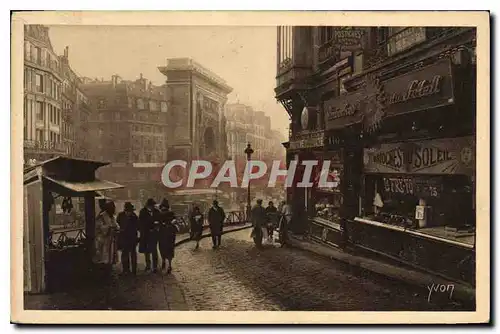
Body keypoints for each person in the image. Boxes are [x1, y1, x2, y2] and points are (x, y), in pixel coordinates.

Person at [93, 200, 119, 281]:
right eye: (112, 207)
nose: (114, 209)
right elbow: (99, 227)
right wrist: (109, 228)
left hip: (111, 240)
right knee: (104, 258)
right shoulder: (101, 216)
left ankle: (109, 273)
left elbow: (116, 225)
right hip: (103, 241)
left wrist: (116, 228)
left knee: (110, 258)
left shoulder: (112, 216)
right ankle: (103, 276)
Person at [116, 202, 139, 275]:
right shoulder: (120, 215)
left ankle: (134, 270)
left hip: (132, 237)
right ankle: (125, 269)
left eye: (131, 211)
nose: (129, 213)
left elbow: (137, 227)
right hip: (123, 237)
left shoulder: (134, 217)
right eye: (128, 211)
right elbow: (117, 224)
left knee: (133, 254)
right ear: (125, 210)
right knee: (124, 254)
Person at [138, 198, 160, 273]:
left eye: (153, 205)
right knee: (146, 251)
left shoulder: (157, 212)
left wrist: (156, 226)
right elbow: (141, 223)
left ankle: (155, 266)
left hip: (154, 234)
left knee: (154, 250)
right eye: (151, 205)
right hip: (146, 234)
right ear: (148, 205)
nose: (152, 207)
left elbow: (160, 221)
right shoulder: (142, 212)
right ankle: (148, 265)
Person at [158, 198, 178, 273]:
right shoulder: (161, 214)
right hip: (166, 235)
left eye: (164, 206)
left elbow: (174, 220)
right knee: (167, 249)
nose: (164, 208)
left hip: (167, 235)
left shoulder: (167, 213)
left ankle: (168, 264)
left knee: (166, 249)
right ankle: (166, 262)